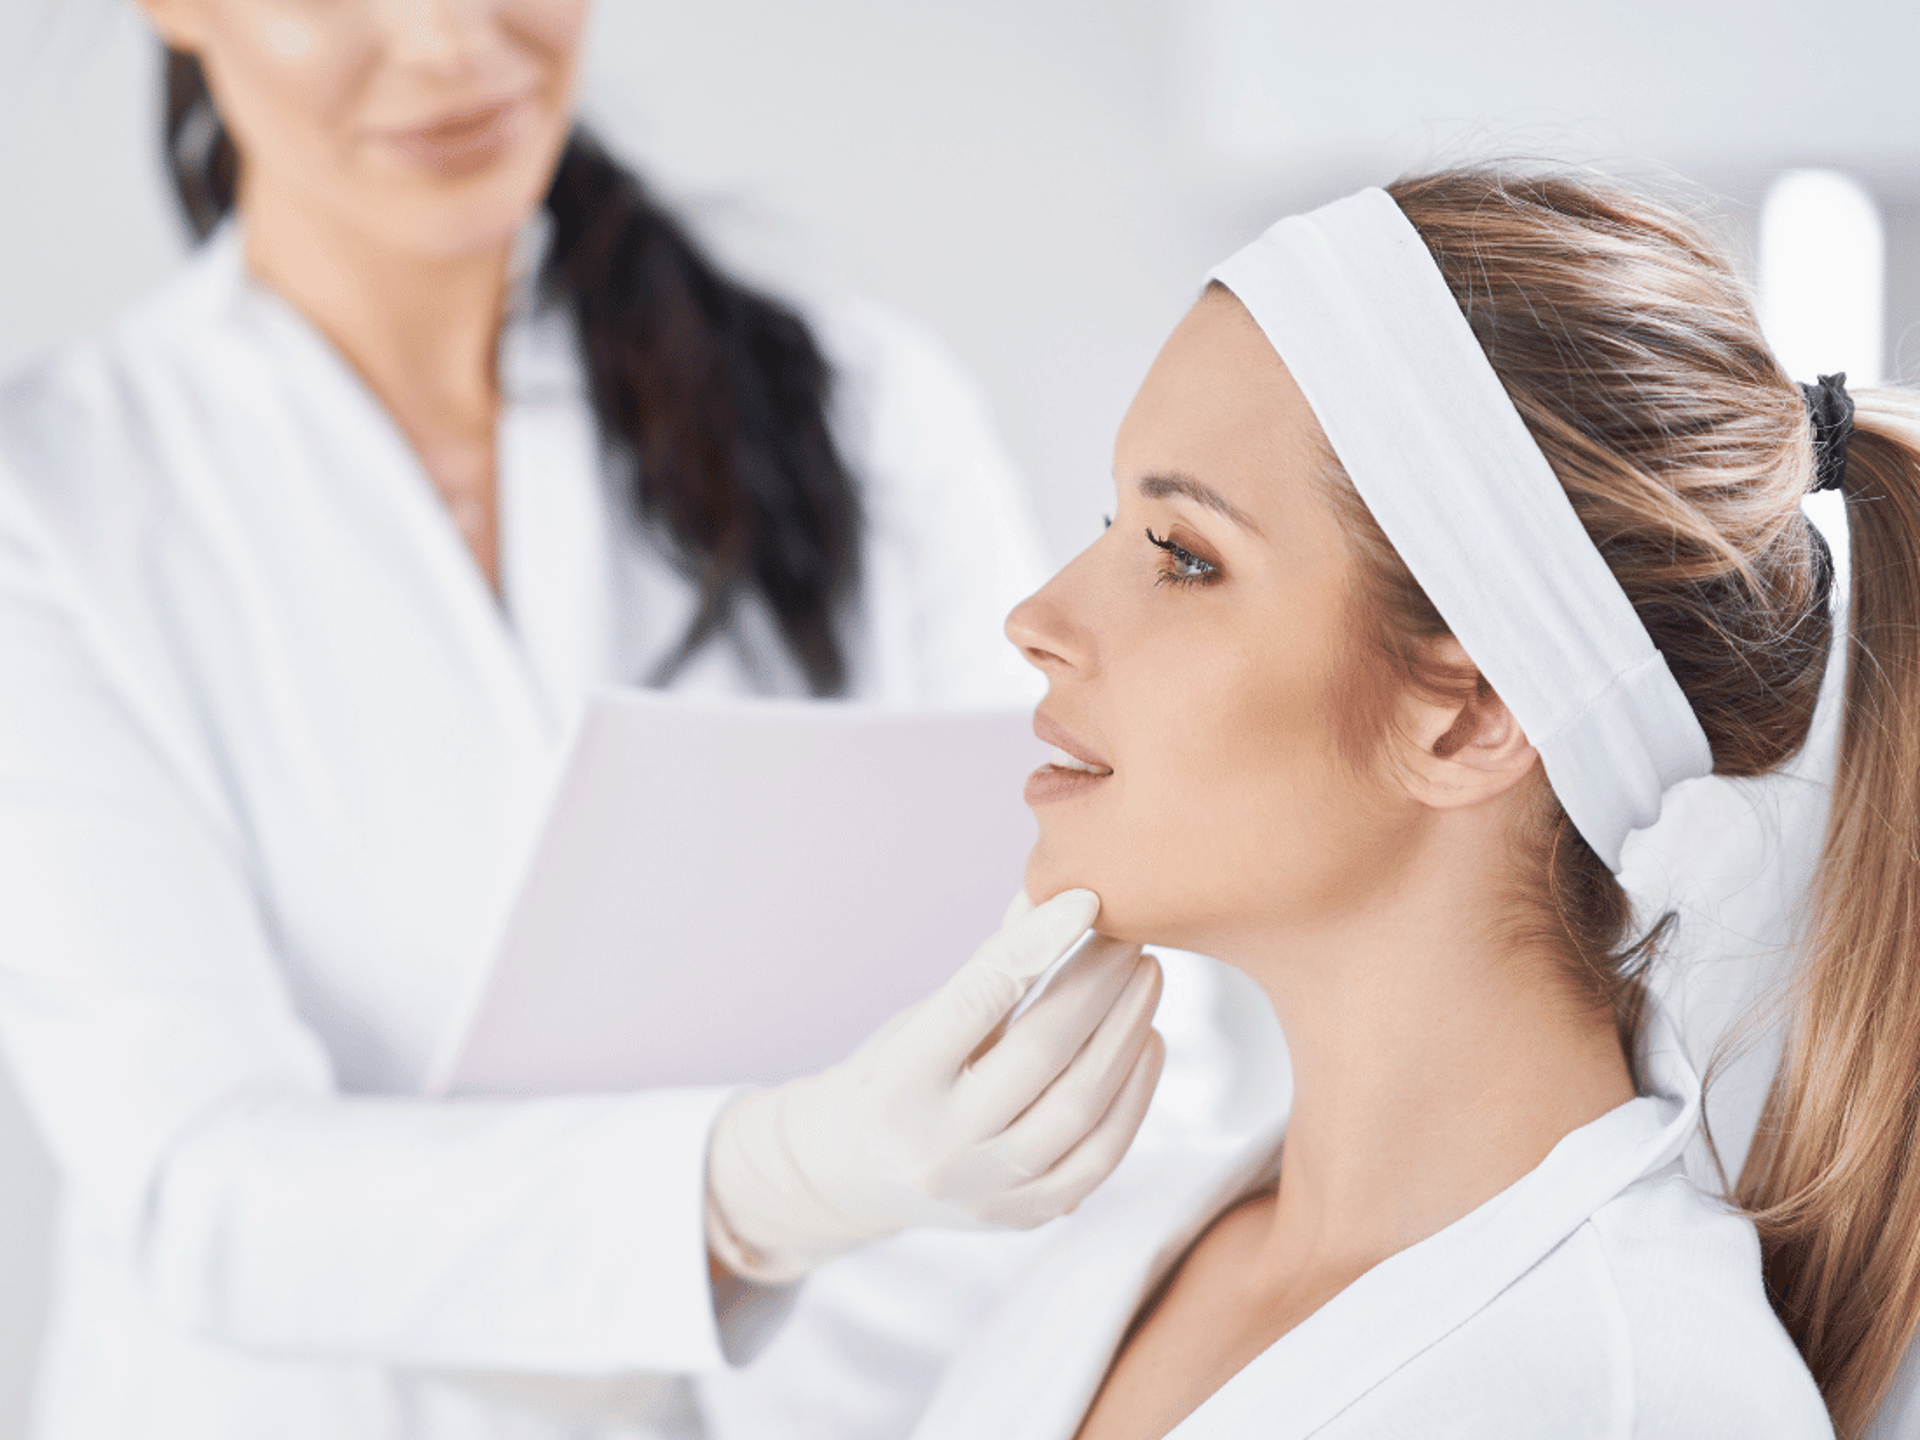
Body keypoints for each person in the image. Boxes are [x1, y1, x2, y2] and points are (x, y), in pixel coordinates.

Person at [0, 4, 1168, 1438]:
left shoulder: (858, 411)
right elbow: (201, 1183)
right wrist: (759, 1186)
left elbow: (1098, 943)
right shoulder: (51, 508)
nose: (447, 43)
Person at [903, 167, 1898, 1438]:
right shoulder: (1125, 1256)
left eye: (1183, 557)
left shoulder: (1638, 1398)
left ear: (1471, 715)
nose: (1036, 621)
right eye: (1113, 523)